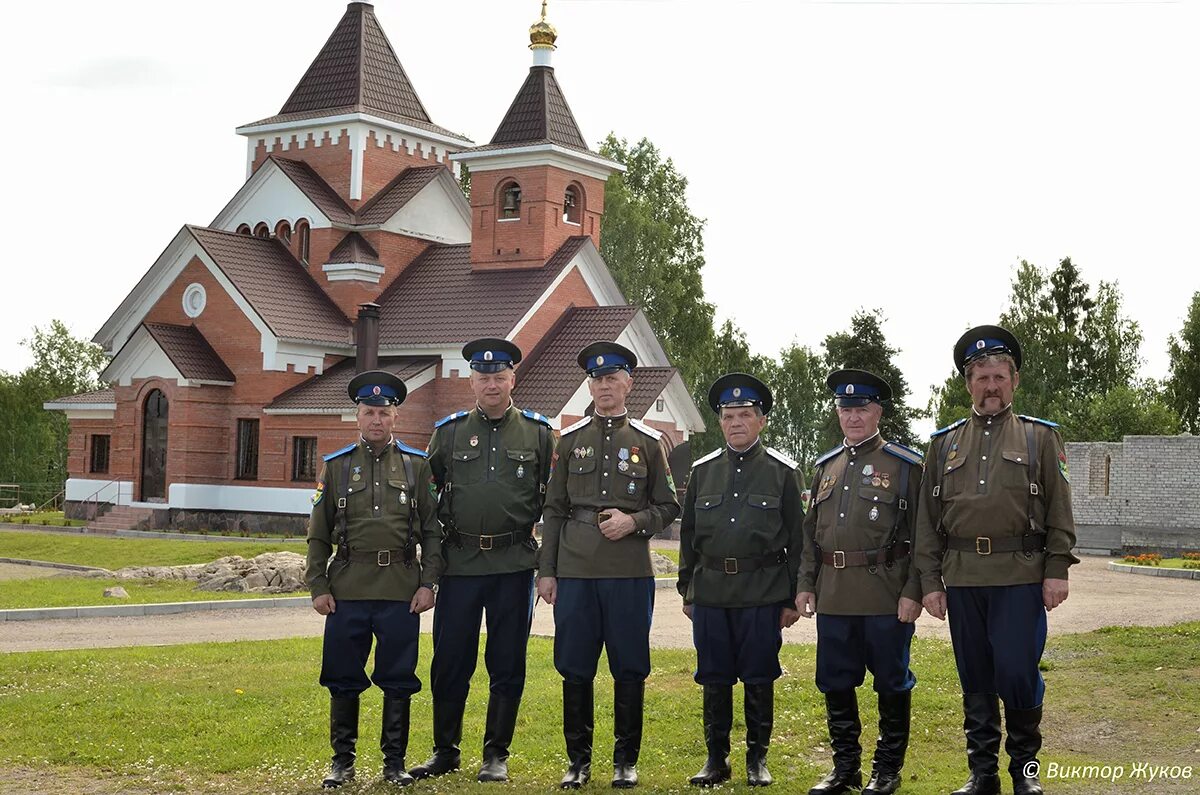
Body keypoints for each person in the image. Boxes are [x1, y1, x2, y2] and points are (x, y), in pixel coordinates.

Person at [913, 325, 1078, 795]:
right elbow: (927, 520)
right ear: (968, 384)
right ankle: (982, 774)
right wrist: (929, 580)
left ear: (1014, 381)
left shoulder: (1040, 439)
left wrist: (1057, 569)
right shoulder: (943, 445)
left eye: (999, 377)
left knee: (1017, 672)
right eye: (981, 377)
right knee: (976, 675)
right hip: (963, 578)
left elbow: (1059, 510)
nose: (990, 386)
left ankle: (1025, 772)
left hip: (1020, 577)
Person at [537, 341, 681, 789]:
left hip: (627, 571)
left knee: (629, 665)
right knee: (575, 666)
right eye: (597, 379)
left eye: (613, 378)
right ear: (590, 385)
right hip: (576, 570)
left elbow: (668, 506)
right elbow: (554, 509)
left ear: (628, 384)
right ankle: (578, 762)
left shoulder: (648, 442)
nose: (605, 385)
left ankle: (625, 761)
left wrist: (634, 520)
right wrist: (547, 570)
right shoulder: (570, 439)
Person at [411, 338, 555, 783]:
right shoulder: (449, 432)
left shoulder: (539, 433)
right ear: (471, 380)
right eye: (483, 376)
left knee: (507, 661)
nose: (491, 384)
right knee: (451, 661)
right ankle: (444, 750)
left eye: (499, 376)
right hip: (461, 565)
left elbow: (555, 504)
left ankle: (496, 754)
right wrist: (429, 571)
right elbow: (426, 502)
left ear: (513, 378)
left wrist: (547, 568)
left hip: (513, 565)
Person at [304, 369, 443, 789]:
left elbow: (433, 530)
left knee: (398, 677)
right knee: (343, 676)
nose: (376, 420)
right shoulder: (337, 467)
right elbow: (318, 532)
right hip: (347, 588)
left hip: (402, 588)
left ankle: (394, 762)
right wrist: (318, 586)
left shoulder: (417, 467)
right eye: (369, 412)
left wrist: (429, 582)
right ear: (357, 417)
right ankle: (342, 762)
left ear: (395, 416)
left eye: (384, 412)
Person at [796, 369, 924, 795]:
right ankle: (845, 768)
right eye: (845, 408)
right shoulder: (826, 467)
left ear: (878, 413)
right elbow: (810, 535)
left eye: (861, 408)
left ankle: (887, 769)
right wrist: (806, 584)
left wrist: (913, 592)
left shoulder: (904, 467)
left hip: (886, 594)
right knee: (835, 681)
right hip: (834, 594)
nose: (852, 416)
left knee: (891, 682)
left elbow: (922, 536)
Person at [677, 373, 806, 788]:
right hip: (711, 591)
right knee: (713, 678)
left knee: (758, 675)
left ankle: (757, 759)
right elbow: (688, 535)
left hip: (761, 591)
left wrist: (789, 599)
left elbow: (798, 540)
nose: (736, 422)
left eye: (745, 415)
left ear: (761, 420)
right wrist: (687, 588)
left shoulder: (783, 473)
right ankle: (716, 759)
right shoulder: (703, 472)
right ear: (720, 421)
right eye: (729, 415)